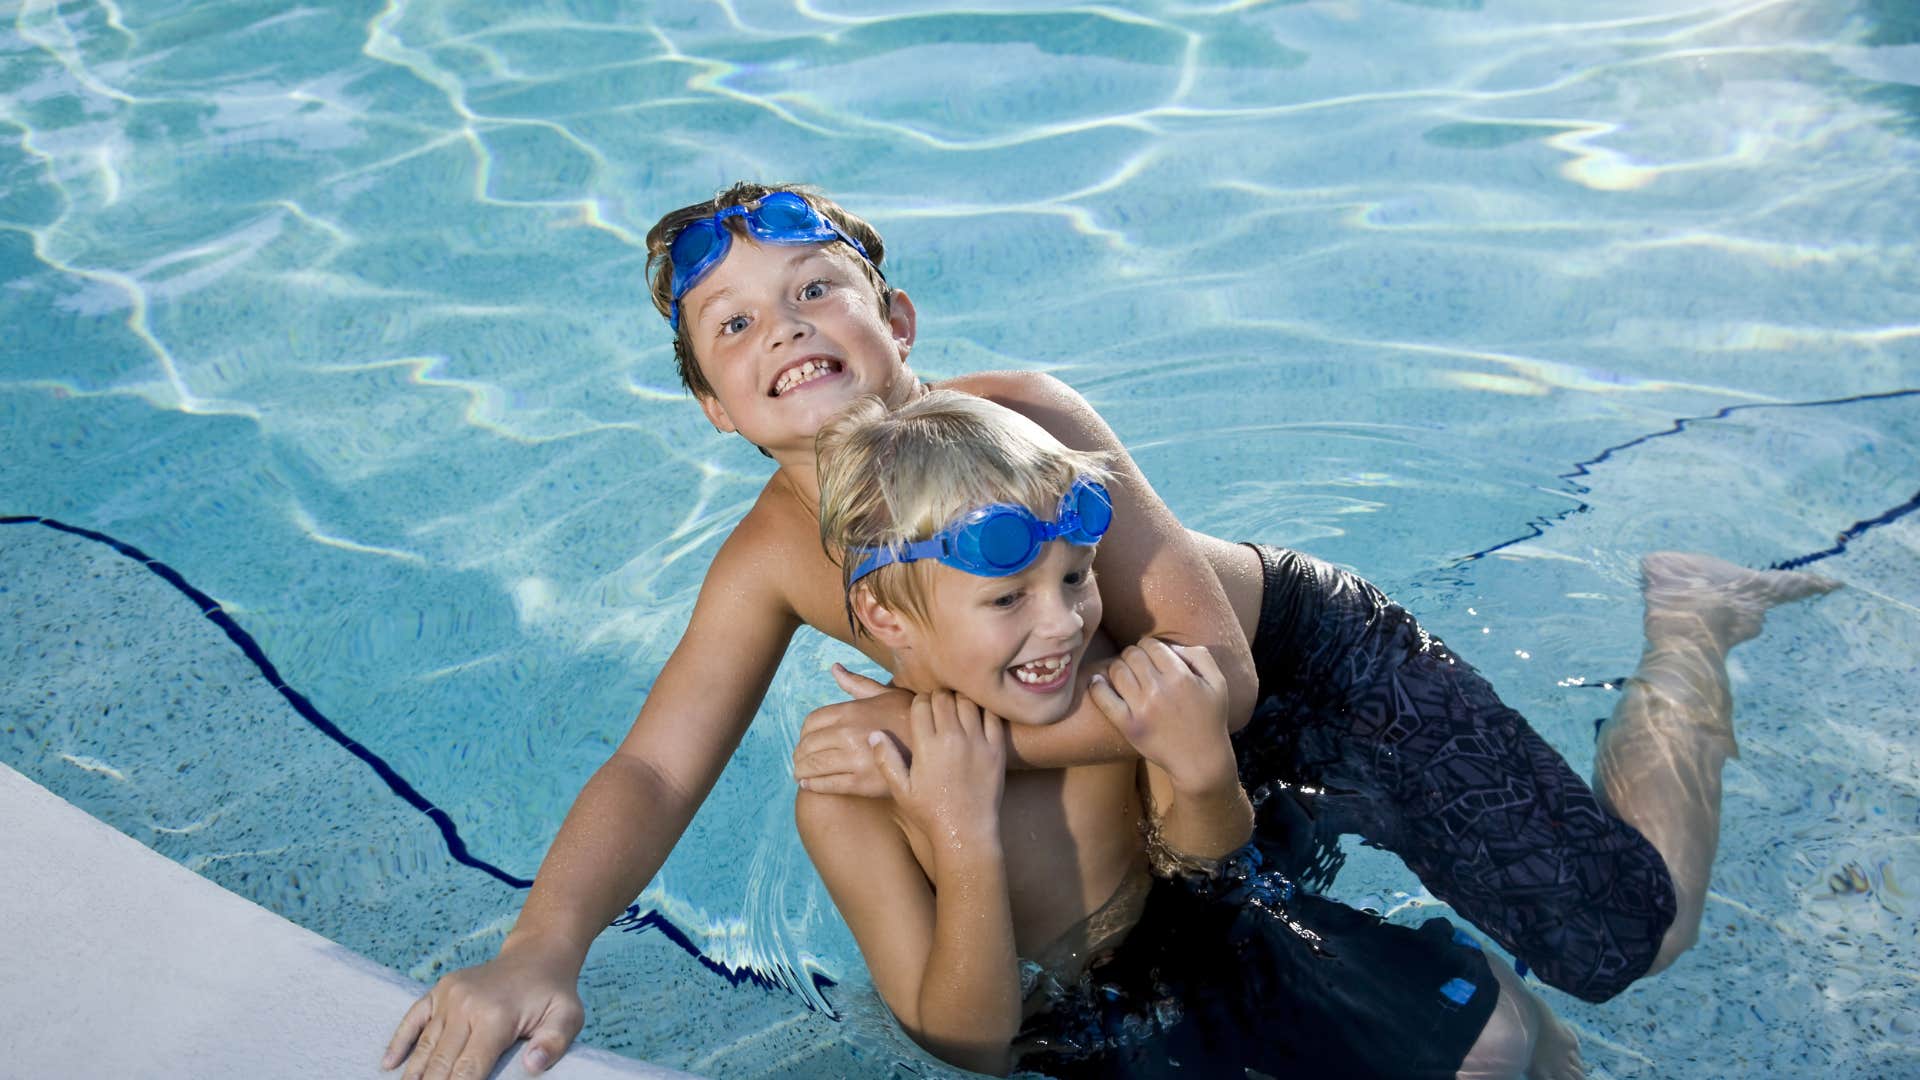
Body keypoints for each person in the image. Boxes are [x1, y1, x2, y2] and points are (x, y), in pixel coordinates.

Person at [382, 182, 1837, 1078]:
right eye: (737, 325)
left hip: (1310, 683)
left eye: (815, 287)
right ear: (713, 406)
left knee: (1630, 936)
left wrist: (927, 738)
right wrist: (543, 949)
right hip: (1146, 762)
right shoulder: (769, 559)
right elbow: (652, 772)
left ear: (892, 313)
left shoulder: (1030, 418)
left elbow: (1225, 667)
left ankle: (1692, 629)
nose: (787, 327)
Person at [799, 388, 1581, 1078]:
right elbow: (970, 1050)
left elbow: (1206, 869)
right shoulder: (854, 796)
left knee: (1499, 1041)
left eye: (1076, 577)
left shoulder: (1107, 683)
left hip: (1212, 944)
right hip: (1081, 1041)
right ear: (883, 616)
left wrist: (1204, 769)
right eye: (1008, 600)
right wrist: (962, 832)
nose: (1063, 624)